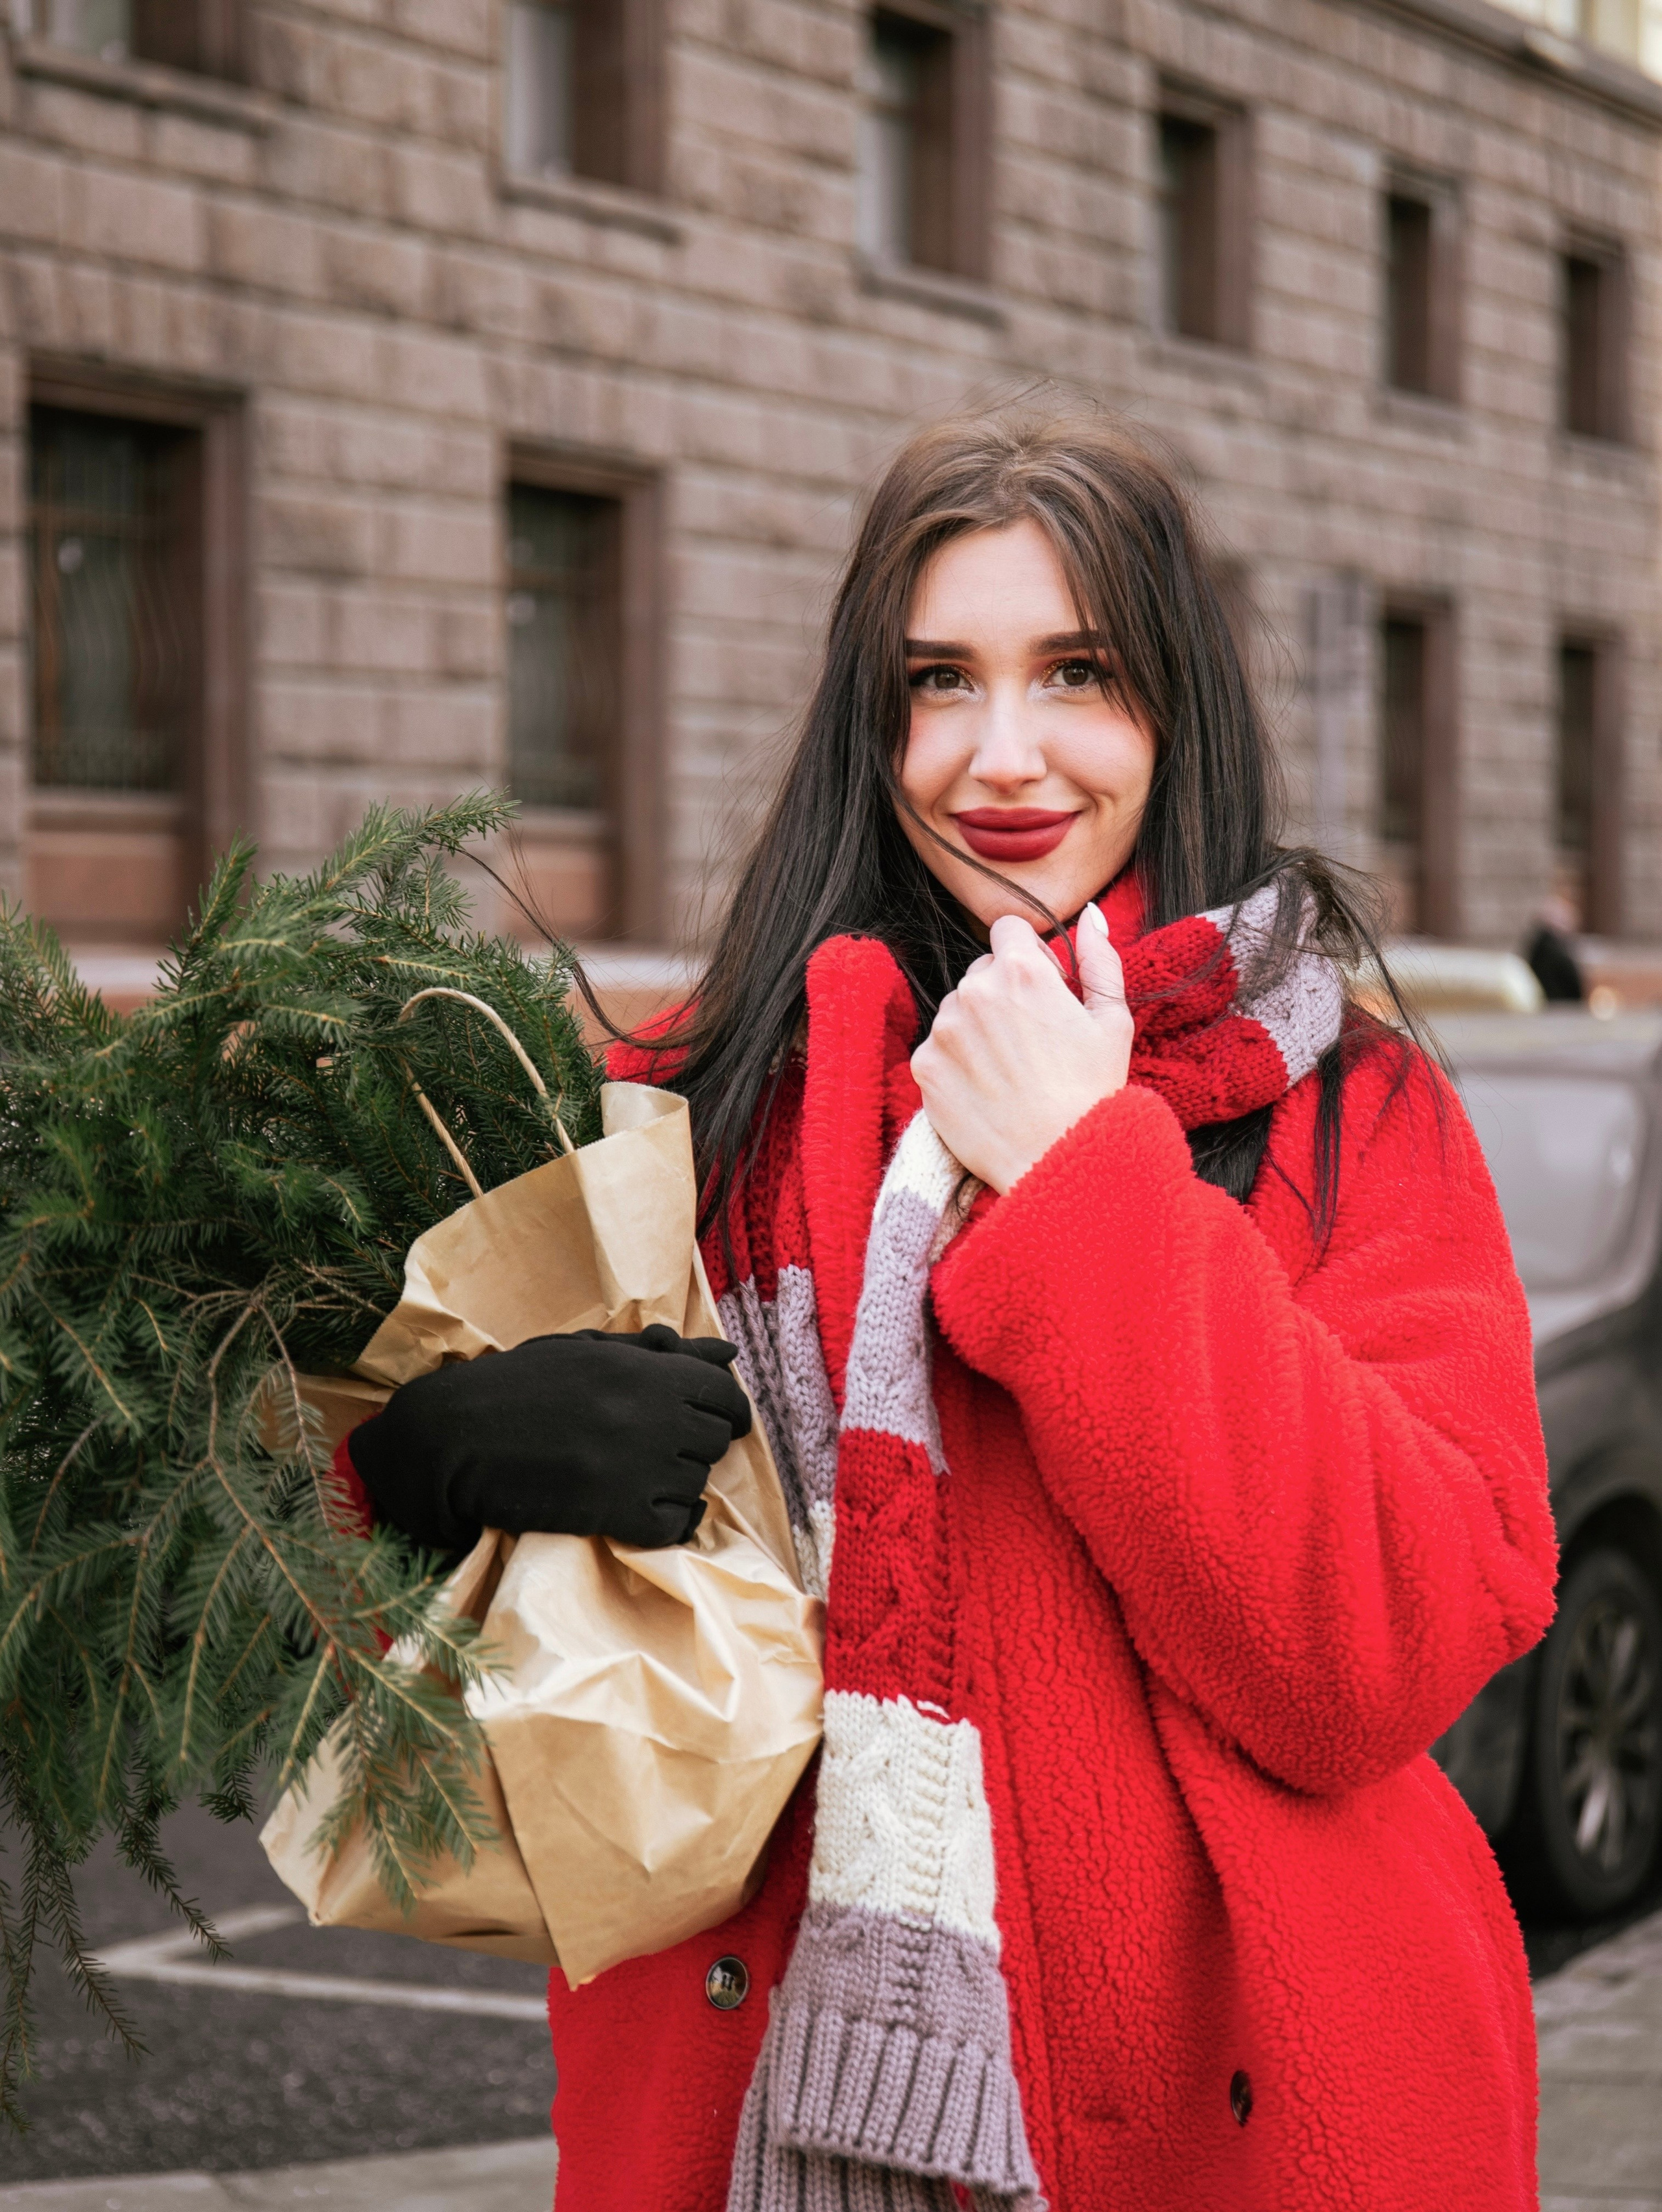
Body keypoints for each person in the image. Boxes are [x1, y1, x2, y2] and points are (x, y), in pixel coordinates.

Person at [346, 413, 1557, 2212]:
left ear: (1177, 709)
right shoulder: (694, 1100)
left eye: (1078, 672)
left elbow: (1383, 1643)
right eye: (938, 679)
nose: (1004, 758)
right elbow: (255, 1530)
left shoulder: (1344, 1106)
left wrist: (1080, 1182)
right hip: (757, 2102)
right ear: (871, 720)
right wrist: (421, 1461)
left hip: (1269, 2122)